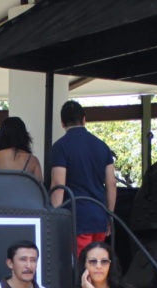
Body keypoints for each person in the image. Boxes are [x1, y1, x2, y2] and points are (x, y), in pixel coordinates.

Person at [49, 100, 116, 252]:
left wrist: (54, 217)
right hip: (99, 216)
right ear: (84, 119)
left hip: (76, 219)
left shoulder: (61, 147)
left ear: (62, 123)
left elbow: (59, 184)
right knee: (97, 267)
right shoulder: (102, 146)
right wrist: (109, 215)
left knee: (81, 268)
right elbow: (111, 183)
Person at [0, 116, 44, 182]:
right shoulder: (32, 160)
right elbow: (38, 188)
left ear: (1, 135)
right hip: (22, 192)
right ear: (23, 136)